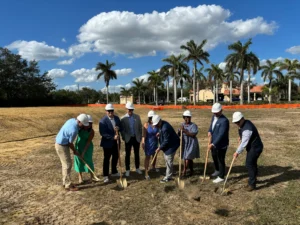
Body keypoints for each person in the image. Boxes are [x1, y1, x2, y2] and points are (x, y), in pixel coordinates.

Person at [55, 113, 89, 191]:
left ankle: (65, 182)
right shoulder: (74, 130)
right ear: (79, 122)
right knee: (67, 165)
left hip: (61, 143)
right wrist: (75, 151)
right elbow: (70, 143)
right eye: (83, 125)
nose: (83, 126)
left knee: (65, 164)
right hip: (61, 145)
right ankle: (68, 185)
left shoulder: (71, 120)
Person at [232, 112, 263, 191]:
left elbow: (244, 143)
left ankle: (252, 184)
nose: (237, 124)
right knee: (253, 163)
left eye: (238, 122)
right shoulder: (243, 124)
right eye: (236, 122)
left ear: (242, 119)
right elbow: (242, 134)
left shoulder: (247, 128)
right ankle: (254, 178)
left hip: (255, 147)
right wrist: (240, 136)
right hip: (253, 146)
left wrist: (237, 152)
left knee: (249, 164)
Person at [152, 114, 180, 183]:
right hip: (169, 144)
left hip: (172, 145)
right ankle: (170, 172)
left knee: (168, 159)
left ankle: (168, 177)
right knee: (167, 159)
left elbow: (166, 141)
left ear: (159, 121)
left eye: (156, 124)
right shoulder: (162, 124)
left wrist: (159, 148)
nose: (156, 126)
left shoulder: (165, 128)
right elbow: (162, 132)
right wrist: (159, 133)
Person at [99, 104, 122, 183]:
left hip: (116, 143)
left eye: (112, 111)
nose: (110, 113)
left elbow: (121, 127)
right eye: (109, 111)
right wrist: (113, 137)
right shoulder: (103, 121)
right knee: (107, 159)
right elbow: (103, 133)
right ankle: (105, 175)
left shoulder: (117, 118)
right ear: (106, 112)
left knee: (115, 157)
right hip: (107, 143)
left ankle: (114, 171)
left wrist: (118, 128)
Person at [208, 103, 229, 184]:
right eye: (214, 112)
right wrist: (209, 131)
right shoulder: (214, 117)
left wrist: (213, 144)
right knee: (214, 157)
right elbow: (211, 126)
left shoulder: (224, 121)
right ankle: (217, 170)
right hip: (213, 142)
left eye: (216, 112)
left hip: (221, 144)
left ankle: (221, 176)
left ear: (221, 111)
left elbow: (221, 134)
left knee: (220, 159)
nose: (215, 114)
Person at [120, 102, 143, 177]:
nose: (130, 111)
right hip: (128, 139)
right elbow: (122, 130)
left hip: (136, 138)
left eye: (131, 109)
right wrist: (124, 137)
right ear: (126, 109)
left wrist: (139, 136)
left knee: (137, 154)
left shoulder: (137, 117)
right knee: (127, 154)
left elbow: (140, 127)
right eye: (129, 109)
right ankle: (127, 170)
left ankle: (137, 168)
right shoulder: (123, 119)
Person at [74, 115, 96, 184]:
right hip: (79, 145)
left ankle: (92, 176)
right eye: (88, 123)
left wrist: (83, 152)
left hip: (88, 147)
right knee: (78, 161)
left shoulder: (92, 132)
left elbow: (88, 142)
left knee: (89, 161)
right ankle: (80, 177)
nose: (89, 125)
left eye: (90, 123)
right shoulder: (79, 129)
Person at [178, 110, 200, 177]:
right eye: (186, 117)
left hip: (191, 143)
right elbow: (178, 134)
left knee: (187, 157)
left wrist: (184, 131)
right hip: (184, 143)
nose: (187, 119)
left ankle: (184, 171)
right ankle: (191, 170)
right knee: (187, 158)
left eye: (188, 117)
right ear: (184, 118)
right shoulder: (182, 125)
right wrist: (180, 131)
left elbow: (193, 134)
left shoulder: (194, 125)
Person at [141, 110, 159, 180]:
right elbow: (144, 135)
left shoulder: (156, 124)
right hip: (148, 143)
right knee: (147, 157)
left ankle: (153, 167)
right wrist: (143, 142)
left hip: (155, 142)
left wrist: (158, 136)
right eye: (150, 117)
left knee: (155, 155)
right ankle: (146, 172)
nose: (151, 119)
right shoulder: (146, 125)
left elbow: (159, 132)